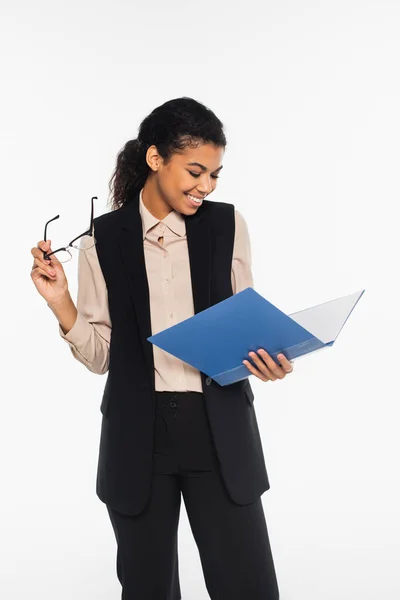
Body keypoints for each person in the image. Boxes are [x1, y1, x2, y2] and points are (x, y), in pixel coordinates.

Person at [30, 97, 294, 600]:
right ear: (155, 159)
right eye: (196, 171)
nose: (206, 186)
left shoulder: (226, 226)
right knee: (147, 589)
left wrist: (266, 360)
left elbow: (244, 324)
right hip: (138, 438)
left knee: (249, 586)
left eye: (215, 174)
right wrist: (60, 300)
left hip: (220, 432)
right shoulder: (101, 241)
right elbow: (100, 355)